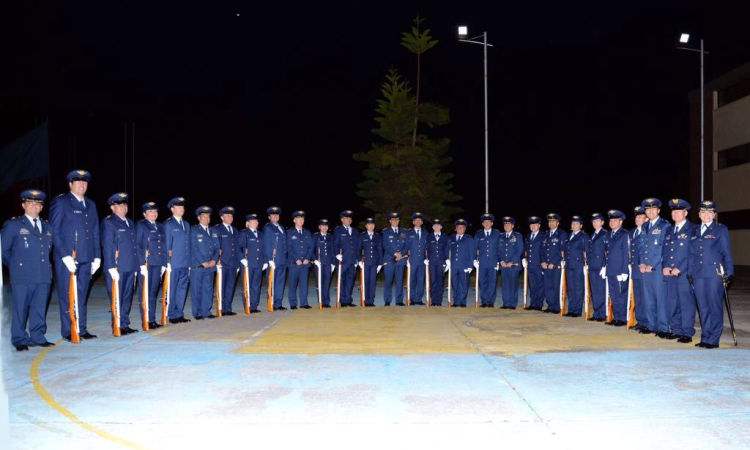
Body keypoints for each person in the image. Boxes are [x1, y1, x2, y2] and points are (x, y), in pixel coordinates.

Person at [50, 170, 101, 341]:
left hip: (87, 257)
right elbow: (54, 231)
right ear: (70, 184)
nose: (82, 185)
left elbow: (94, 231)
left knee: (82, 294)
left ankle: (82, 328)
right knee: (68, 294)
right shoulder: (61, 202)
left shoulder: (91, 204)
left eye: (85, 182)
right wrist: (64, 256)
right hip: (68, 259)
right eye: (78, 182)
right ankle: (68, 330)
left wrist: (97, 256)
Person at [2, 189, 54, 350]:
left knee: (39, 307)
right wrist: (17, 266)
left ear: (41, 207)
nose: (34, 206)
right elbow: (3, 250)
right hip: (22, 275)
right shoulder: (13, 225)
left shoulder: (47, 226)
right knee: (21, 308)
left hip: (43, 274)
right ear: (23, 205)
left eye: (37, 204)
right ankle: (19, 339)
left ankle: (37, 336)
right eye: (30, 203)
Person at [688, 200, 734, 349]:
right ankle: (705, 337)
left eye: (709, 212)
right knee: (703, 307)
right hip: (698, 274)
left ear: (714, 214)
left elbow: (726, 252)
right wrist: (689, 271)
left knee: (714, 306)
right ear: (699, 214)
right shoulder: (694, 230)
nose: (706, 215)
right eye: (703, 212)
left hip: (714, 274)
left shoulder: (720, 229)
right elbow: (691, 254)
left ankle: (713, 339)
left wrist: (729, 272)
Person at [100, 193, 139, 336]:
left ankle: (124, 324)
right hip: (117, 268)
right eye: (119, 205)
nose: (123, 207)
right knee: (117, 297)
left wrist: (136, 266)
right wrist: (110, 266)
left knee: (127, 297)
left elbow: (134, 247)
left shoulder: (129, 222)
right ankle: (116, 325)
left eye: (125, 205)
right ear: (112, 207)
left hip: (129, 266)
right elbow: (108, 245)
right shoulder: (109, 222)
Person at [638, 198, 672, 338]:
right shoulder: (645, 227)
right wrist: (642, 263)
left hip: (657, 269)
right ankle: (652, 325)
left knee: (660, 299)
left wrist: (652, 265)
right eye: (648, 209)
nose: (650, 212)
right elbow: (642, 247)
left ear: (658, 210)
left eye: (653, 209)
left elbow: (663, 248)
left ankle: (663, 328)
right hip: (645, 268)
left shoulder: (664, 225)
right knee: (649, 299)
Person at [663, 199, 695, 343]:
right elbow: (665, 251)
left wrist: (680, 268)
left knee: (685, 303)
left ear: (686, 213)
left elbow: (693, 253)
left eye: (679, 211)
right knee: (672, 302)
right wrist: (665, 265)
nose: (675, 213)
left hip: (684, 274)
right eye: (673, 211)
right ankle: (676, 330)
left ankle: (687, 332)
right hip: (669, 273)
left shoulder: (692, 229)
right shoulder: (669, 230)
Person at [135, 201, 165, 330]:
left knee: (153, 292)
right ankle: (146, 319)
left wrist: (164, 263)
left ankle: (152, 319)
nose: (153, 213)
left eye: (155, 211)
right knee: (145, 292)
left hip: (157, 263)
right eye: (150, 211)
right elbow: (137, 245)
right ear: (144, 214)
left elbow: (163, 246)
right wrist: (141, 263)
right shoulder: (140, 225)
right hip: (146, 264)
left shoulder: (160, 226)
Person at [164, 197, 191, 324]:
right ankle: (172, 314)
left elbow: (188, 245)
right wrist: (167, 261)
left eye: (183, 207)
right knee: (172, 289)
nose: (182, 209)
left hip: (185, 263)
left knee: (182, 289)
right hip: (174, 263)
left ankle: (179, 313)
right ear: (172, 209)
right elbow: (167, 245)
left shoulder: (186, 224)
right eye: (179, 207)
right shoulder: (168, 224)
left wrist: (190, 262)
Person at [189, 206, 219, 320]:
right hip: (198, 266)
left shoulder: (213, 231)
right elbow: (193, 248)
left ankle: (206, 311)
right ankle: (197, 313)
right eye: (204, 216)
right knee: (197, 290)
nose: (206, 218)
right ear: (198, 218)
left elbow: (217, 248)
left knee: (208, 289)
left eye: (208, 216)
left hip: (210, 266)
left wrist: (214, 260)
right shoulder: (194, 230)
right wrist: (203, 261)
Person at [603, 210, 630, 326]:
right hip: (610, 270)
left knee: (621, 295)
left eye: (615, 220)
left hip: (619, 270)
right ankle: (616, 316)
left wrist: (624, 271)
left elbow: (626, 253)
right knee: (613, 295)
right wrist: (604, 266)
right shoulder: (608, 234)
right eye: (611, 220)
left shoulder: (624, 234)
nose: (612, 222)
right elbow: (606, 252)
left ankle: (622, 318)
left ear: (621, 221)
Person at [213, 206, 241, 315]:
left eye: (231, 215)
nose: (230, 217)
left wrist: (238, 262)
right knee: (222, 286)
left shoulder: (235, 230)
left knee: (230, 286)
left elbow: (237, 247)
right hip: (223, 263)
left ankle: (227, 308)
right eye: (227, 215)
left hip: (233, 263)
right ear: (222, 217)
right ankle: (221, 308)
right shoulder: (217, 229)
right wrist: (217, 260)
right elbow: (215, 247)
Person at [262, 206, 289, 310]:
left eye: (277, 215)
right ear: (269, 217)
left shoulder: (281, 227)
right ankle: (271, 302)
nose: (275, 216)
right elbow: (266, 244)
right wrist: (268, 259)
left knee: (280, 283)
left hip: (282, 260)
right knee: (272, 282)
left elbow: (284, 244)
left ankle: (278, 303)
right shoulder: (268, 228)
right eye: (273, 215)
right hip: (273, 260)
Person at [239, 214, 266, 313]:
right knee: (247, 285)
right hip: (248, 263)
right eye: (253, 221)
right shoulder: (244, 233)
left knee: (256, 285)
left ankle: (254, 306)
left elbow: (263, 249)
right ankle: (247, 304)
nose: (256, 222)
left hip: (259, 263)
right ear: (248, 223)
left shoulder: (261, 234)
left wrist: (265, 261)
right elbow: (238, 247)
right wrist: (242, 259)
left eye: (257, 221)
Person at [563, 216, 589, 317]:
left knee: (578, 288)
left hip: (578, 265)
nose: (574, 226)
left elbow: (586, 251)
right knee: (571, 288)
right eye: (573, 224)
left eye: (577, 224)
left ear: (581, 226)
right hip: (569, 264)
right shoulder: (568, 236)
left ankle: (577, 311)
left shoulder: (584, 236)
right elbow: (565, 250)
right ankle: (571, 309)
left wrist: (586, 264)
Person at [541, 213, 567, 313]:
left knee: (556, 286)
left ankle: (557, 306)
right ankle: (550, 305)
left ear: (558, 223)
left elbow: (562, 251)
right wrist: (543, 261)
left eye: (553, 221)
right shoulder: (545, 234)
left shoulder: (562, 234)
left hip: (555, 266)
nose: (551, 223)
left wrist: (553, 262)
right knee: (548, 287)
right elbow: (542, 250)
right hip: (546, 266)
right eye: (550, 221)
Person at [287, 210, 313, 309]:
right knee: (293, 284)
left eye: (302, 219)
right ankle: (293, 303)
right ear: (294, 220)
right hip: (294, 263)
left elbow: (310, 247)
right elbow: (289, 248)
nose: (301, 220)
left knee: (304, 284)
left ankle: (304, 303)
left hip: (305, 263)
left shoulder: (307, 232)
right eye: (298, 219)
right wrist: (296, 259)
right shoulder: (290, 232)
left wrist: (307, 258)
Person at [381, 211, 408, 306]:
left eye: (397, 219)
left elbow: (406, 245)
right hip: (389, 260)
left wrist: (401, 253)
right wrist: (394, 253)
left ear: (399, 221)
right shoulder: (385, 231)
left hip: (401, 260)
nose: (395, 221)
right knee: (388, 281)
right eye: (393, 219)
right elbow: (385, 245)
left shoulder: (404, 231)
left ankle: (399, 300)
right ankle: (387, 300)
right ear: (390, 221)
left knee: (399, 281)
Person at [474, 213, 501, 307]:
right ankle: (484, 301)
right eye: (485, 222)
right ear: (482, 224)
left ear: (492, 223)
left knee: (492, 282)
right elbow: (474, 247)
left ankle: (491, 302)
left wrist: (499, 261)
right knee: (483, 282)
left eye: (488, 222)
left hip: (493, 262)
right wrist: (474, 259)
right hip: (482, 262)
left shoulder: (497, 234)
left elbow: (500, 248)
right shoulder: (478, 234)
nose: (487, 224)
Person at [333, 210, 359, 307]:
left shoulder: (355, 231)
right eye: (346, 218)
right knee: (341, 280)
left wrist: (357, 259)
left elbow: (357, 247)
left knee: (350, 280)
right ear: (342, 219)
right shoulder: (338, 230)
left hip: (352, 260)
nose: (348, 219)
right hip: (342, 260)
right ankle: (342, 300)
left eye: (350, 218)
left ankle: (348, 299)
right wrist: (337, 254)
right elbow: (335, 244)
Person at [498, 216, 524, 309]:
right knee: (505, 285)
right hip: (503, 265)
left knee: (512, 284)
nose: (506, 226)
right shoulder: (501, 236)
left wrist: (511, 261)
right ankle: (506, 303)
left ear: (512, 226)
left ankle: (512, 304)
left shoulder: (517, 236)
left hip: (513, 265)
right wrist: (501, 261)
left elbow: (519, 250)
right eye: (505, 224)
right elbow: (499, 250)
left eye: (508, 224)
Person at [629, 206, 648, 331]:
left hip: (644, 269)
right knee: (638, 297)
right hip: (634, 269)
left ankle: (647, 321)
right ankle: (640, 320)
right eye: (636, 217)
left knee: (646, 297)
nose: (637, 219)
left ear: (646, 219)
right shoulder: (632, 232)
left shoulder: (647, 231)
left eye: (640, 216)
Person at [448, 219, 474, 307]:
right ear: (455, 228)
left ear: (465, 229)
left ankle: (462, 302)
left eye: (462, 228)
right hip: (454, 266)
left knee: (463, 284)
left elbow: (472, 253)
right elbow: (447, 250)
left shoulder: (469, 239)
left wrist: (470, 265)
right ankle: (456, 301)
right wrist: (447, 260)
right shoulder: (451, 238)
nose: (460, 229)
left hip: (464, 266)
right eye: (459, 227)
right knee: (455, 284)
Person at [358, 218, 382, 306]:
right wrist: (359, 260)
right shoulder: (362, 236)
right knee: (365, 281)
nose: (371, 226)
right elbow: (358, 249)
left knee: (372, 282)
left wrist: (380, 263)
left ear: (374, 226)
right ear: (366, 226)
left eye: (372, 224)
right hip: (365, 262)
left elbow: (380, 250)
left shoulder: (377, 236)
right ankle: (365, 299)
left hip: (374, 262)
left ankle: (370, 301)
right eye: (369, 224)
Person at [522, 216, 545, 311]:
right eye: (531, 224)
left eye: (535, 224)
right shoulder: (527, 236)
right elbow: (525, 249)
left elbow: (544, 250)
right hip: (530, 265)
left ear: (539, 225)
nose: (533, 226)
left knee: (540, 285)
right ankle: (533, 303)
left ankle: (538, 304)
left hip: (539, 265)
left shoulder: (543, 236)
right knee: (532, 285)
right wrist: (524, 258)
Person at [588, 213, 608, 322]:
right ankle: (596, 312)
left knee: (601, 291)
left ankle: (602, 313)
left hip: (600, 266)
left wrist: (605, 265)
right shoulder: (592, 234)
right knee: (594, 291)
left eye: (598, 221)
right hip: (592, 266)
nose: (595, 223)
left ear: (602, 222)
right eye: (594, 221)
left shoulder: (605, 234)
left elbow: (607, 251)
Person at [312, 219, 335, 308]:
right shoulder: (315, 236)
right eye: (322, 225)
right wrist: (314, 260)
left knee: (327, 283)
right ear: (319, 227)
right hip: (319, 263)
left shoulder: (330, 237)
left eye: (326, 225)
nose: (325, 227)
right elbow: (311, 250)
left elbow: (332, 250)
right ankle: (321, 300)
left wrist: (333, 263)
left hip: (328, 263)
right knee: (320, 283)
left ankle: (326, 302)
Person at [426, 219, 449, 306]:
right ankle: (433, 300)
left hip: (441, 262)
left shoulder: (445, 237)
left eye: (438, 225)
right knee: (433, 281)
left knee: (440, 282)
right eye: (435, 225)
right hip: (431, 262)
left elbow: (447, 250)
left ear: (441, 227)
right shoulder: (429, 237)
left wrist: (447, 260)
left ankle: (438, 301)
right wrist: (426, 258)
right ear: (432, 227)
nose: (436, 227)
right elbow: (426, 248)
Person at [407, 212, 428, 305]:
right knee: (412, 279)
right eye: (416, 220)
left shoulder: (426, 233)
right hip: (412, 260)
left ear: (422, 222)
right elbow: (405, 246)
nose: (418, 221)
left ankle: (418, 299)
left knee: (420, 279)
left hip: (422, 260)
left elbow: (428, 246)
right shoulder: (408, 232)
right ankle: (411, 298)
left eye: (420, 220)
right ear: (413, 222)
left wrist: (427, 257)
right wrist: (406, 258)